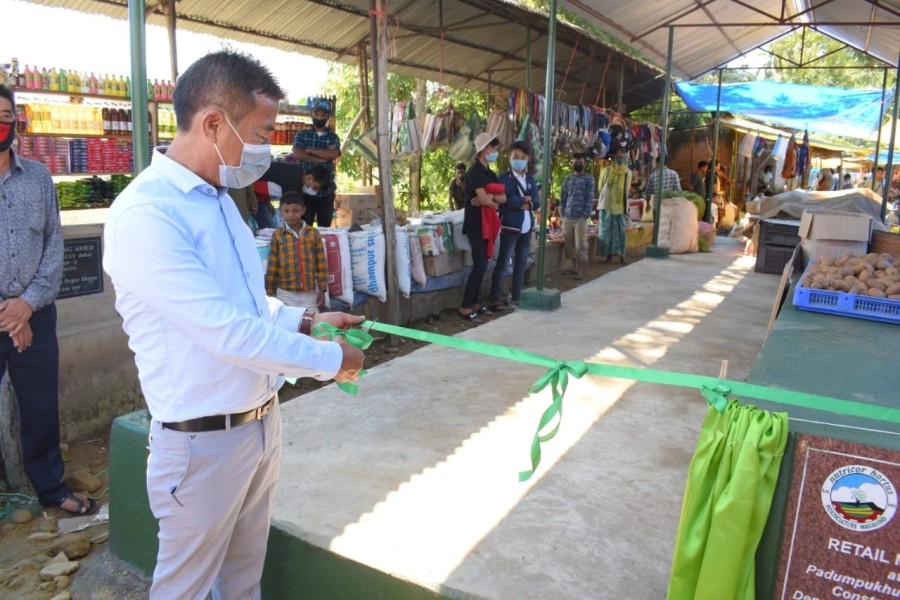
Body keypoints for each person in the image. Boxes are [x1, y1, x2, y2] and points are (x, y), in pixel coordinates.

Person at [102, 50, 365, 600]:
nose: (268, 148)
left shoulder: (219, 200)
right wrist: (331, 360)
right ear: (214, 124)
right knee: (186, 589)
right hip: (200, 446)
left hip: (259, 426)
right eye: (261, 131)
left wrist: (306, 321)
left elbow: (247, 306)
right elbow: (225, 332)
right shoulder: (146, 216)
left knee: (242, 583)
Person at [0, 85, 97, 517]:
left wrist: (26, 305)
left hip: (35, 313)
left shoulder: (38, 178)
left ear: (16, 122)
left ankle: (51, 489)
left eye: (5, 115)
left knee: (40, 407)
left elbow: (54, 247)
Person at [459, 133, 505, 322]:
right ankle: (465, 305)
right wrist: (491, 199)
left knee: (484, 262)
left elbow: (503, 198)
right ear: (485, 149)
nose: (495, 152)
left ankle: (475, 302)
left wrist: (490, 199)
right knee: (480, 264)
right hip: (476, 224)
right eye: (493, 149)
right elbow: (488, 199)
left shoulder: (490, 173)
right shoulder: (474, 172)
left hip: (489, 224)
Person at [489, 141, 539, 311]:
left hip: (526, 228)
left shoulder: (530, 178)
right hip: (510, 227)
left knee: (521, 264)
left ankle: (516, 297)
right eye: (516, 157)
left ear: (527, 160)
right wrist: (524, 201)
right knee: (503, 263)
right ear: (509, 157)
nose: (519, 160)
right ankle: (495, 299)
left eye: (522, 158)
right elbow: (507, 201)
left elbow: (537, 202)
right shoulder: (503, 178)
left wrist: (526, 203)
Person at [265, 191, 328, 310]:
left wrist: (322, 289)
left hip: (309, 294)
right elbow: (272, 266)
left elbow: (321, 264)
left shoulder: (313, 233)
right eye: (286, 211)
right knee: (288, 325)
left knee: (311, 324)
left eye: (295, 210)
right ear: (280, 211)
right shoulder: (278, 235)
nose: (290, 214)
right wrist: (269, 292)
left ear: (303, 210)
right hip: (285, 294)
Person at [292, 99, 340, 227]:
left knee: (325, 228)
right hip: (305, 191)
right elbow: (297, 153)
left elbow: (334, 154)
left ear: (328, 116)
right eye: (316, 114)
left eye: (323, 115)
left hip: (326, 191)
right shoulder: (302, 134)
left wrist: (309, 151)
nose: (319, 117)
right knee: (304, 228)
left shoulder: (333, 137)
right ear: (311, 114)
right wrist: (321, 158)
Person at [559, 153, 595, 280]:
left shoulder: (588, 179)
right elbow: (562, 198)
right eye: (576, 161)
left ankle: (581, 270)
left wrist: (586, 214)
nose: (578, 164)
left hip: (580, 217)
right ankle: (574, 267)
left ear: (584, 163)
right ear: (572, 163)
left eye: (580, 162)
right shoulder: (567, 180)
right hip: (567, 217)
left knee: (581, 245)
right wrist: (562, 213)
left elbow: (590, 198)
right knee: (569, 244)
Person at [598, 144, 633, 265]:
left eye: (621, 156)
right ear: (612, 157)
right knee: (606, 231)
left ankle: (622, 256)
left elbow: (626, 189)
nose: (619, 159)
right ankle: (608, 256)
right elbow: (601, 187)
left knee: (620, 232)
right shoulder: (606, 171)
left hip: (620, 206)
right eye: (617, 156)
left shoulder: (628, 172)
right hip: (607, 205)